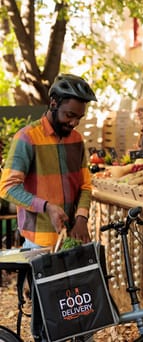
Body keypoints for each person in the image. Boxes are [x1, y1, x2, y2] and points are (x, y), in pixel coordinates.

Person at [0, 74, 97, 249]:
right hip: (39, 243)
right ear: (53, 103)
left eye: (79, 118)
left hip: (72, 239)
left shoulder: (76, 140)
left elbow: (85, 185)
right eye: (69, 115)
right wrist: (47, 207)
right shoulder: (26, 137)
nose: (74, 122)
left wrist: (82, 218)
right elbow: (7, 187)